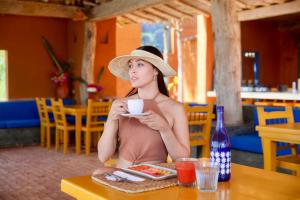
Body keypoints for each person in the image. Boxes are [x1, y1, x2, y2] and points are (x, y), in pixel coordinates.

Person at [97, 46, 190, 169]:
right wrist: (111, 120)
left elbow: (182, 159)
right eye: (130, 66)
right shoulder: (120, 105)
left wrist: (164, 129)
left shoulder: (175, 109)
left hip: (153, 180)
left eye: (140, 65)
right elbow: (103, 156)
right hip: (121, 178)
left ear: (156, 70)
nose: (132, 71)